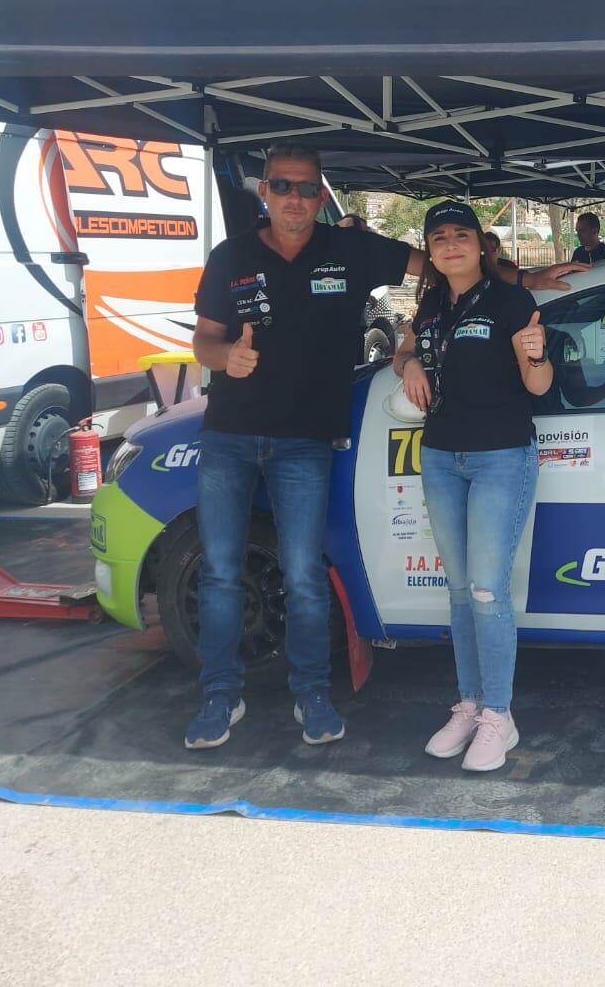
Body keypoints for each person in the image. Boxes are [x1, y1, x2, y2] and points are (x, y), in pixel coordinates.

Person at [186, 146, 580, 752]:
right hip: (233, 433)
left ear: (322, 196)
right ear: (264, 190)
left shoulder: (355, 250)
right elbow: (206, 341)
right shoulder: (232, 257)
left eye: (307, 188)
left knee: (309, 577)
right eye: (283, 186)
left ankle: (316, 694)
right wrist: (225, 358)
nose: (295, 198)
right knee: (217, 574)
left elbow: (443, 267)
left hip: (309, 441)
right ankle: (219, 695)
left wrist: (527, 284)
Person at [394, 200, 553, 772]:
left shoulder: (512, 300)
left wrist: (534, 356)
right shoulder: (433, 302)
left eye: (462, 234)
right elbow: (407, 346)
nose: (451, 244)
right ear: (431, 252)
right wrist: (408, 363)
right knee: (459, 592)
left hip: (499, 458)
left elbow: (537, 386)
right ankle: (469, 704)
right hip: (440, 457)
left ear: (481, 245)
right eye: (439, 237)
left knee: (487, 591)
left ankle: (500, 717)